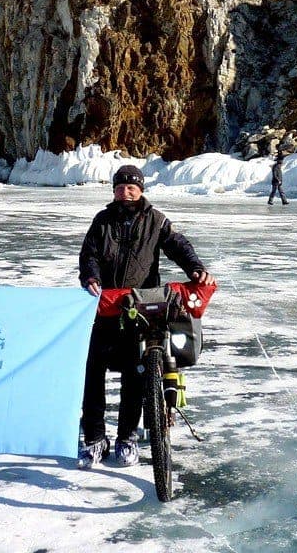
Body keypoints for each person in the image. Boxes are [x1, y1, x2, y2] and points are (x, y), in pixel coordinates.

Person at [78, 164, 213, 469]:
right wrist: (90, 276)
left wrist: (194, 268)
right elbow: (90, 255)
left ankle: (126, 437)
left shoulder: (156, 220)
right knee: (92, 372)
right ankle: (94, 438)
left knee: (134, 374)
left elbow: (178, 246)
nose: (124, 192)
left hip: (142, 310)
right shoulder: (102, 221)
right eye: (119, 187)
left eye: (130, 187)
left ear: (140, 190)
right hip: (106, 307)